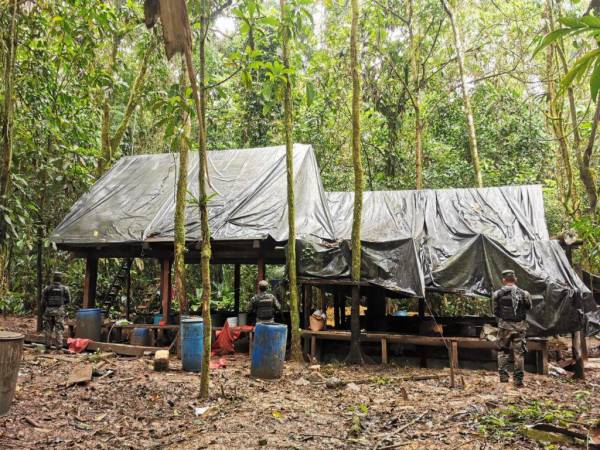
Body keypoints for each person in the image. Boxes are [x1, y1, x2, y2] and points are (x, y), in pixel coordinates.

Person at [492, 269, 532, 387]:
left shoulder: (497, 294)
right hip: (519, 327)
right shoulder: (524, 293)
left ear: (503, 280)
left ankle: (503, 378)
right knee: (519, 354)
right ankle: (518, 380)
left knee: (502, 352)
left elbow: (495, 311)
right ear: (515, 279)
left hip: (504, 326)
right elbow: (529, 307)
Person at [41, 272, 71, 351]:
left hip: (49, 311)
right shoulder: (64, 289)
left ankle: (48, 345)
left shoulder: (47, 288)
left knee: (48, 328)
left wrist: (45, 310)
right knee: (59, 329)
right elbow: (68, 301)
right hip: (59, 312)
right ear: (60, 279)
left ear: (53, 278)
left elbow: (43, 302)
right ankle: (59, 346)